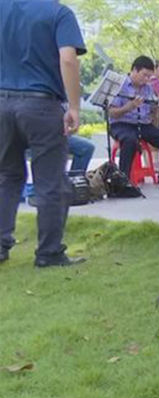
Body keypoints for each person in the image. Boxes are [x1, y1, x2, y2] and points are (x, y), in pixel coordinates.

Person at [0, 0, 87, 267]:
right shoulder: (59, 13)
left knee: (6, 177)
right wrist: (74, 106)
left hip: (3, 104)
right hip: (41, 105)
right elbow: (68, 60)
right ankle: (49, 253)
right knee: (50, 182)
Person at [108, 56, 159, 183]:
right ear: (134, 70)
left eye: (149, 77)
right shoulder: (119, 85)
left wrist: (155, 112)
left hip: (144, 125)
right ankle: (124, 180)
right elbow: (112, 113)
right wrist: (128, 107)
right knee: (130, 140)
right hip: (122, 124)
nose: (147, 80)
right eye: (144, 75)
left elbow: (152, 112)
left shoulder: (148, 87)